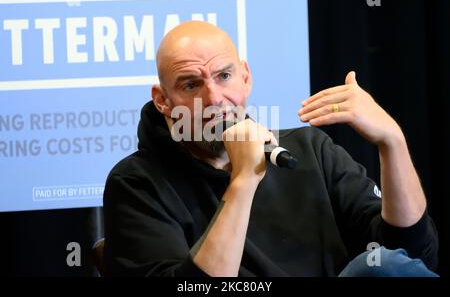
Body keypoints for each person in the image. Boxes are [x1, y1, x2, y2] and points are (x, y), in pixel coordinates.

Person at [103, 21, 438, 277]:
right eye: (191, 84)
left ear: (245, 77)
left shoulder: (309, 149)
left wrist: (391, 143)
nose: (214, 99)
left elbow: (412, 257)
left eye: (224, 76)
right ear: (162, 100)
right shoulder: (136, 183)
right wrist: (244, 180)